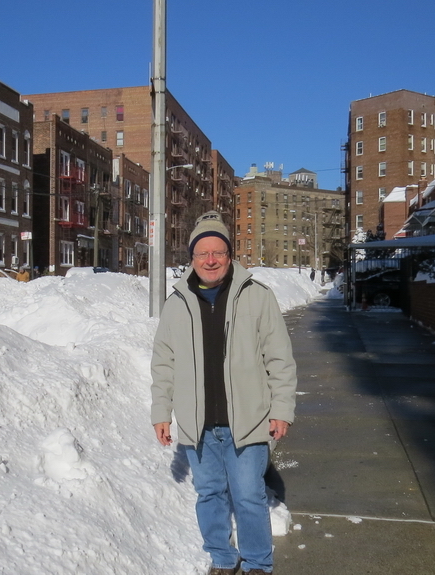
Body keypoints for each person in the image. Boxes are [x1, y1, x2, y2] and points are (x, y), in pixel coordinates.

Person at [151, 211, 298, 575]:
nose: (211, 260)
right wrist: (161, 411)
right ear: (192, 259)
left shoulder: (257, 297)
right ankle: (222, 557)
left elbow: (280, 358)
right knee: (210, 495)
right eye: (203, 254)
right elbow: (163, 362)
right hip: (198, 426)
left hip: (248, 421)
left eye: (218, 252)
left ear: (230, 256)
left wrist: (281, 409)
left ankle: (258, 565)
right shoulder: (177, 302)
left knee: (248, 497)